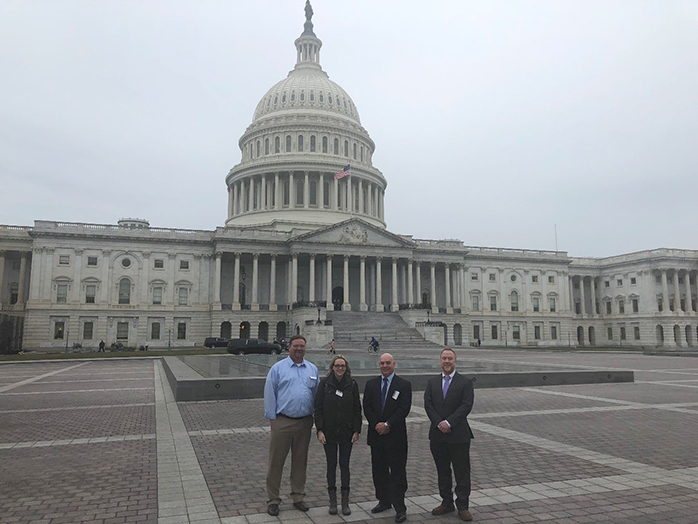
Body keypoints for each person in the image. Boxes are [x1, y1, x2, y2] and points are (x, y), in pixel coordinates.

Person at [263, 335, 319, 516]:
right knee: (276, 462)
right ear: (289, 348)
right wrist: (272, 418)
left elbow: (316, 395)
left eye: (302, 346)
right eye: (296, 346)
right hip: (283, 420)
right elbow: (269, 392)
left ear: (305, 348)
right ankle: (273, 499)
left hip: (304, 421)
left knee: (300, 461)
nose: (299, 349)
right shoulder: (278, 368)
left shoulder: (312, 369)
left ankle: (298, 496)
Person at [424, 349, 475, 522]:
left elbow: (466, 406)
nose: (447, 361)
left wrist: (449, 422)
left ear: (455, 361)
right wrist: (439, 423)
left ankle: (463, 505)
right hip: (437, 435)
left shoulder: (465, 382)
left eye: (450, 359)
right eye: (444, 358)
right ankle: (446, 502)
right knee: (442, 471)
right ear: (440, 361)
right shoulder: (432, 382)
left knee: (462, 471)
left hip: (458, 434)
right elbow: (428, 405)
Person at [363, 353, 412, 523]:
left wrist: (388, 424)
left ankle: (400, 507)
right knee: (379, 471)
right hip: (377, 435)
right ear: (379, 365)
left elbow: (403, 409)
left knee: (398, 473)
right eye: (382, 363)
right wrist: (377, 424)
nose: (385, 366)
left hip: (395, 436)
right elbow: (367, 407)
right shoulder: (371, 384)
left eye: (388, 363)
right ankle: (383, 501)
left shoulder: (404, 385)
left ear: (394, 364)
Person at [314, 355, 362, 515]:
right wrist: (319, 430)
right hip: (329, 431)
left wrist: (357, 430)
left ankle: (345, 502)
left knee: (344, 465)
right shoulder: (324, 384)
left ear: (346, 367)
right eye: (337, 366)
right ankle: (332, 501)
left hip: (347, 431)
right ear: (332, 367)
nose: (340, 368)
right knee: (331, 465)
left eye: (342, 366)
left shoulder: (352, 384)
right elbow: (318, 408)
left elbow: (357, 409)